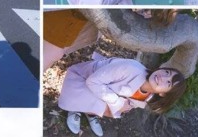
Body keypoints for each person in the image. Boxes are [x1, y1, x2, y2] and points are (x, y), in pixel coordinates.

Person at [59, 54, 187, 136]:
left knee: (111, 109)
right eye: (166, 72)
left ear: (163, 94)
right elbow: (92, 81)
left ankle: (90, 113)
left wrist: (119, 107)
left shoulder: (148, 97)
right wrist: (117, 104)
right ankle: (75, 109)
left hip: (99, 89)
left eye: (168, 82)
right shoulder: (130, 68)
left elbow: (128, 102)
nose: (162, 77)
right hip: (81, 78)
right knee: (107, 106)